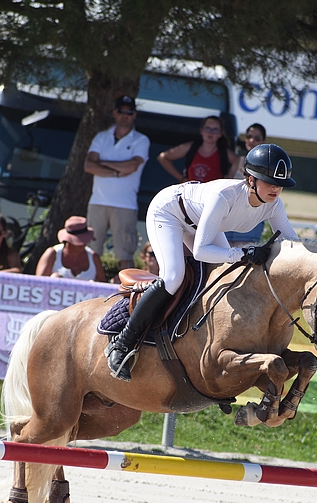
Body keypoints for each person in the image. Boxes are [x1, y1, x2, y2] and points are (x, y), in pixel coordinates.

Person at [106, 143, 300, 381]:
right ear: (250, 179)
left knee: (228, 274)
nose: (276, 189)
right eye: (269, 181)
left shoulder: (274, 205)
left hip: (200, 222)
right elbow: (200, 251)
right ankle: (122, 344)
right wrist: (244, 253)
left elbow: (293, 244)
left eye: (280, 184)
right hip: (169, 212)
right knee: (173, 277)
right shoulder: (225, 196)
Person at [84, 95, 150, 271]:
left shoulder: (141, 140)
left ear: (134, 115)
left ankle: (126, 291)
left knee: (125, 253)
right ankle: (90, 284)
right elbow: (89, 166)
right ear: (114, 112)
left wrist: (103, 163)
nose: (125, 115)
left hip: (125, 203)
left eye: (129, 112)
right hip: (97, 201)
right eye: (121, 111)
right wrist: (116, 171)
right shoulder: (101, 137)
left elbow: (132, 166)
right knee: (91, 250)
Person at [157, 115, 239, 183]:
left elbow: (241, 161)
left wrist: (229, 178)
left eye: (215, 130)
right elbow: (163, 157)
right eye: (207, 129)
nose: (210, 133)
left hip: (212, 196)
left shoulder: (224, 152)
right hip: (190, 193)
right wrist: (181, 179)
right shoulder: (191, 147)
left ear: (220, 133)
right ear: (202, 131)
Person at [226, 123, 267, 244]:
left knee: (246, 257)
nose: (252, 140)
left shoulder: (266, 163)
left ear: (263, 141)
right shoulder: (239, 161)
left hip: (251, 219)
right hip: (231, 217)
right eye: (249, 136)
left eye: (257, 138)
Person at [35, 216, 105, 281]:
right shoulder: (52, 254)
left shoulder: (94, 257)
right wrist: (53, 281)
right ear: (68, 241)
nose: (84, 243)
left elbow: (103, 286)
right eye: (80, 240)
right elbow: (39, 283)